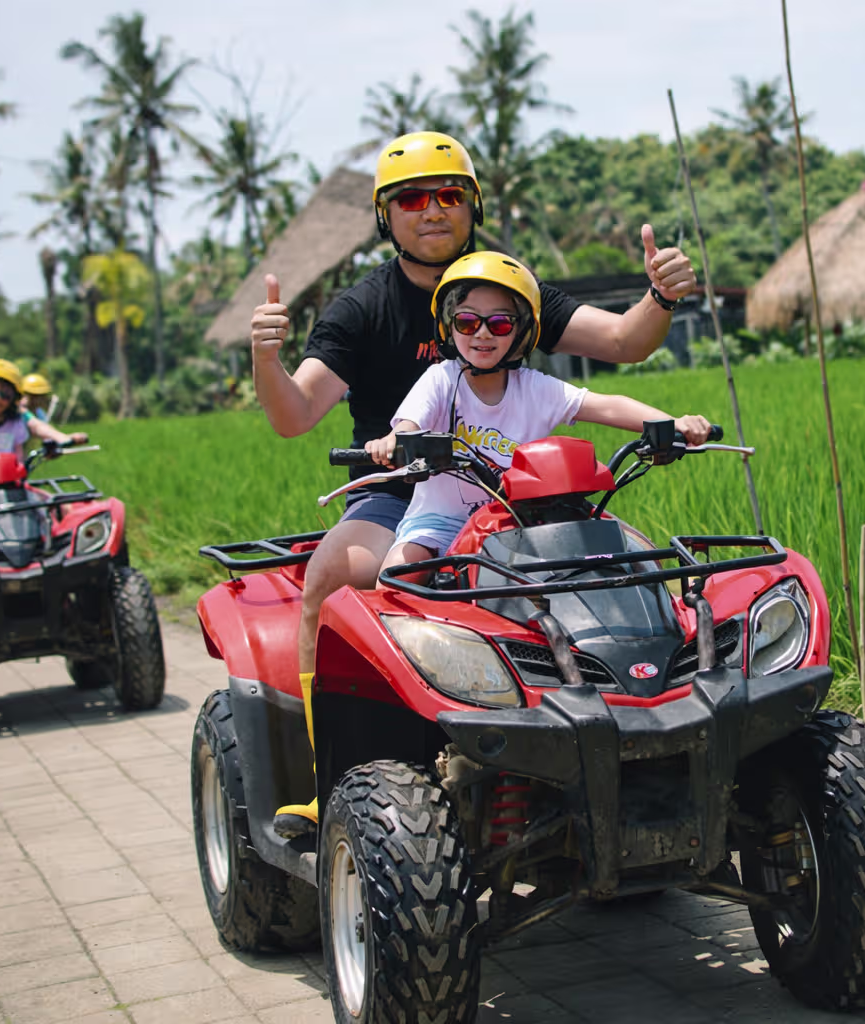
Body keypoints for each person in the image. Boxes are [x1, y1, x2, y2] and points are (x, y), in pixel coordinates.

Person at [250, 131, 699, 838]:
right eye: (412, 198)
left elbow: (621, 345)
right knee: (339, 576)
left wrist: (659, 295)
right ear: (385, 216)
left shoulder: (506, 287)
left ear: (474, 205)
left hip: (520, 499)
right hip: (406, 492)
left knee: (631, 569)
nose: (433, 210)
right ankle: (331, 779)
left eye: (450, 194)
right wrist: (266, 359)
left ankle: (640, 742)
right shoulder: (361, 309)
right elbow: (295, 412)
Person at [370, 252, 712, 570]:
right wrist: (394, 441)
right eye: (468, 323)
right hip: (440, 522)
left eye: (500, 324)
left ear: (521, 330)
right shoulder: (440, 380)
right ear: (449, 326)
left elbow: (606, 405)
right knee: (399, 573)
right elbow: (409, 424)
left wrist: (673, 424)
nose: (483, 333)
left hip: (519, 523)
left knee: (628, 559)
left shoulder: (534, 388)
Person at [0, 359, 85, 474]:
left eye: (5, 393)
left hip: (15, 483)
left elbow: (23, 448)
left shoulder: (17, 422)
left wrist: (63, 439)